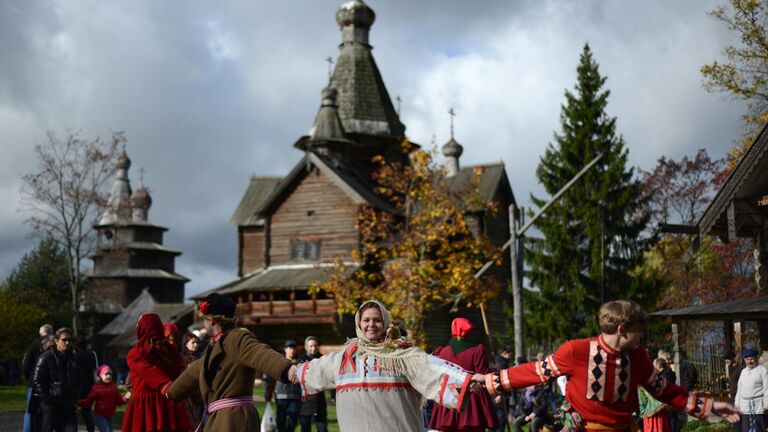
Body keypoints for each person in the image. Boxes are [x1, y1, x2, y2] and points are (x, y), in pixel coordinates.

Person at [483, 300, 740, 432]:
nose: (641, 338)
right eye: (638, 332)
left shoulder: (637, 356)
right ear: (622, 329)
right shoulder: (576, 350)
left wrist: (710, 406)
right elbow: (536, 371)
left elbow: (666, 390)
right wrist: (490, 381)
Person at [295, 299, 482, 431]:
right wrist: (285, 369)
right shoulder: (343, 358)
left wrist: (467, 379)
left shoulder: (401, 354)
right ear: (359, 323)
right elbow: (310, 371)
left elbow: (430, 368)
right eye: (366, 320)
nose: (371, 325)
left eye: (377, 320)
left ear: (385, 323)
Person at [166, 293, 297, 431]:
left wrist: (287, 369)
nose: (204, 323)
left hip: (237, 420)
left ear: (212, 321)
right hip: (220, 420)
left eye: (204, 319)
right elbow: (196, 371)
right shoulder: (214, 345)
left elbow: (262, 353)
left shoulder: (238, 337)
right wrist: (170, 393)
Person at [121, 313, 190, 432]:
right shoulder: (170, 350)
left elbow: (147, 370)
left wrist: (166, 385)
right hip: (168, 403)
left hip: (147, 406)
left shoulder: (137, 352)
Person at [429, 318, 499, 432]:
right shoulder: (477, 350)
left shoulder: (443, 351)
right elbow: (482, 375)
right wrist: (494, 370)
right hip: (471, 400)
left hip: (449, 398)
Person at [31, 327, 80, 432]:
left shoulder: (74, 359)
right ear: (56, 341)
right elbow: (37, 381)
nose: (67, 342)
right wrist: (48, 400)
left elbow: (77, 379)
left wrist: (75, 397)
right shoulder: (45, 357)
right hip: (50, 405)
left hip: (68, 405)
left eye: (70, 340)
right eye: (64, 340)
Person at [78, 365, 130, 432]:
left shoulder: (114, 387)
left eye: (110, 374)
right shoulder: (96, 388)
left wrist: (125, 398)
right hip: (100, 415)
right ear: (100, 376)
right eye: (106, 374)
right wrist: (78, 402)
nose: (109, 376)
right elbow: (89, 401)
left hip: (111, 415)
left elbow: (119, 401)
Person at [267, 340, 302, 432]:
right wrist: (268, 393)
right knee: (281, 418)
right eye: (290, 348)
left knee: (293, 417)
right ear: (285, 349)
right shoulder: (279, 362)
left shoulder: (299, 363)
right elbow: (271, 379)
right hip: (281, 395)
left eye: (293, 348)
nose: (292, 350)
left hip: (295, 395)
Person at [23, 323, 53, 432]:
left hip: (33, 382)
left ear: (40, 332)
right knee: (51, 411)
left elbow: (26, 364)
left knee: (30, 411)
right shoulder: (55, 343)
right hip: (50, 382)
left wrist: (28, 378)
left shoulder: (34, 344)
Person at [735, 347, 768, 432]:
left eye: (751, 359)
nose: (749, 361)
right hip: (745, 407)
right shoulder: (743, 372)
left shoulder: (762, 370)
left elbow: (767, 388)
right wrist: (737, 404)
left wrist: (766, 404)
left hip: (758, 406)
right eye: (747, 359)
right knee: (746, 429)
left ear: (755, 358)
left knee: (759, 429)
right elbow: (739, 389)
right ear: (744, 360)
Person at [298, 336, 327, 432]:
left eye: (315, 346)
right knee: (305, 428)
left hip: (319, 400)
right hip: (305, 401)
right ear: (306, 347)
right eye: (311, 346)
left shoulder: (324, 359)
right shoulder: (300, 361)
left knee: (322, 428)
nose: (313, 348)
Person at [637, 359, 672, 432]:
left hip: (650, 414)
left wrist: (642, 413)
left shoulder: (640, 381)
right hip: (662, 411)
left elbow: (642, 401)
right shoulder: (658, 377)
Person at [180, 333, 204, 427]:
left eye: (197, 342)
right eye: (193, 342)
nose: (196, 345)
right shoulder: (181, 359)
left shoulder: (199, 358)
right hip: (188, 397)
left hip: (201, 395)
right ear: (185, 343)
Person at [75, 337, 98, 432]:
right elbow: (95, 371)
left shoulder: (74, 355)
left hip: (77, 386)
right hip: (89, 385)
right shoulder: (92, 354)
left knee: (73, 411)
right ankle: (90, 429)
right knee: (87, 411)